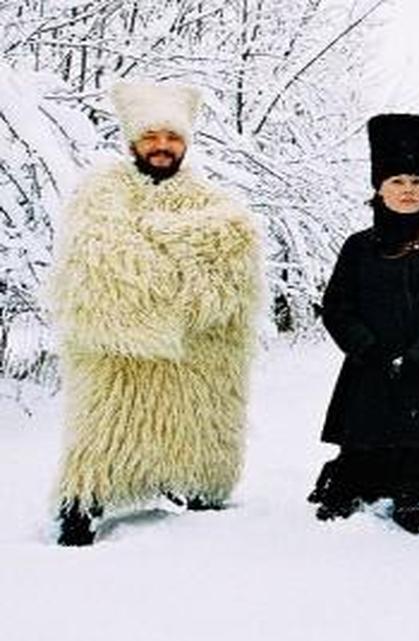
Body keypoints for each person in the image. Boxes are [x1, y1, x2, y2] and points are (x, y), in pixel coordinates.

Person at [47, 81, 263, 546]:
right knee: (108, 440)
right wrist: (178, 257)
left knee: (195, 436)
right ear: (132, 142)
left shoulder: (210, 201)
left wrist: (154, 240)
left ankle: (197, 494)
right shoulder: (99, 194)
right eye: (151, 137)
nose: (162, 147)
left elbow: (234, 261)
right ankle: (83, 513)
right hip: (117, 365)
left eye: (172, 137)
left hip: (198, 366)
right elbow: (96, 268)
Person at [310, 114, 419, 533]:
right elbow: (337, 306)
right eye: (397, 182)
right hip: (373, 372)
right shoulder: (358, 247)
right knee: (369, 467)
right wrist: (370, 351)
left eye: (417, 182)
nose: (408, 191)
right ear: (378, 188)